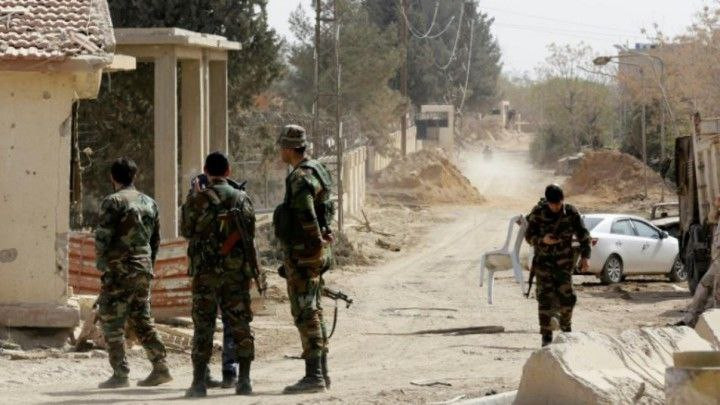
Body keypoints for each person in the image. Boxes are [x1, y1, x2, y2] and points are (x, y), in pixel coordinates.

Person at [181, 152, 261, 397]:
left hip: (205, 274)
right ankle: (244, 381)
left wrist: (194, 197)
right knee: (240, 324)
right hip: (235, 274)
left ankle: (198, 383)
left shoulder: (196, 199)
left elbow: (186, 231)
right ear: (228, 171)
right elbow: (250, 233)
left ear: (206, 171)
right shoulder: (241, 198)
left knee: (203, 326)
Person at [94, 157, 172, 388]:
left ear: (112, 177)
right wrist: (148, 265)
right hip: (142, 268)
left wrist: (102, 264)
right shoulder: (150, 203)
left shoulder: (113, 201)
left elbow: (102, 238)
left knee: (111, 318)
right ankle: (161, 367)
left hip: (120, 269)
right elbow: (155, 240)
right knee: (142, 318)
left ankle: (120, 374)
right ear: (134, 176)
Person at [273, 125, 335, 394]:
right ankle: (322, 372)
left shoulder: (299, 177)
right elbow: (326, 209)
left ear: (289, 148)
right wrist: (323, 237)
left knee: (305, 312)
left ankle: (314, 376)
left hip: (305, 253)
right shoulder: (318, 169)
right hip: (316, 253)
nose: (280, 152)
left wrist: (313, 242)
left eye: (281, 147)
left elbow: (306, 213)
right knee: (315, 309)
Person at [525, 184, 591, 347]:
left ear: (563, 200)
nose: (556, 207)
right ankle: (546, 339)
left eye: (559, 204)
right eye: (553, 204)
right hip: (543, 265)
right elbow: (529, 236)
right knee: (544, 301)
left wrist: (585, 257)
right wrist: (542, 240)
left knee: (568, 299)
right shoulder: (538, 212)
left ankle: (566, 331)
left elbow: (584, 236)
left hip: (564, 265)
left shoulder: (571, 213)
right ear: (547, 202)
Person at [674, 195, 720, 326]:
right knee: (703, 287)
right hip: (717, 262)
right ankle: (690, 320)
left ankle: (712, 324)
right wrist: (716, 207)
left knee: (715, 293)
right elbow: (711, 219)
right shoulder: (717, 217)